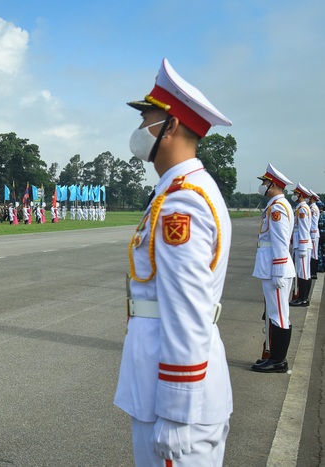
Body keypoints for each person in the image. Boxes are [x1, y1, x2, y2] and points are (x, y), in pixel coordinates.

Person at [114, 58, 233, 465]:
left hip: (173, 398)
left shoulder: (182, 201)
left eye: (148, 117)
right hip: (165, 385)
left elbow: (187, 309)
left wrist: (176, 413)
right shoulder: (180, 191)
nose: (140, 128)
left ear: (172, 126)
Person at [251, 164, 295, 373]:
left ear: (274, 184)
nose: (263, 186)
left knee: (279, 315)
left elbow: (280, 241)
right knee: (276, 313)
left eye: (265, 183)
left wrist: (278, 270)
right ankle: (275, 358)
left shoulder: (277, 208)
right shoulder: (276, 205)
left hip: (276, 269)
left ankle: (278, 360)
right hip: (272, 267)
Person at [289, 183, 313, 307]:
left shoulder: (303, 209)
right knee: (303, 271)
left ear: (301, 195)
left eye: (295, 193)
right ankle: (303, 297)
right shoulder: (300, 207)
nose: (293, 195)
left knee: (303, 272)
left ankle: (303, 298)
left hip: (302, 244)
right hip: (300, 243)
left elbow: (304, 228)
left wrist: (302, 246)